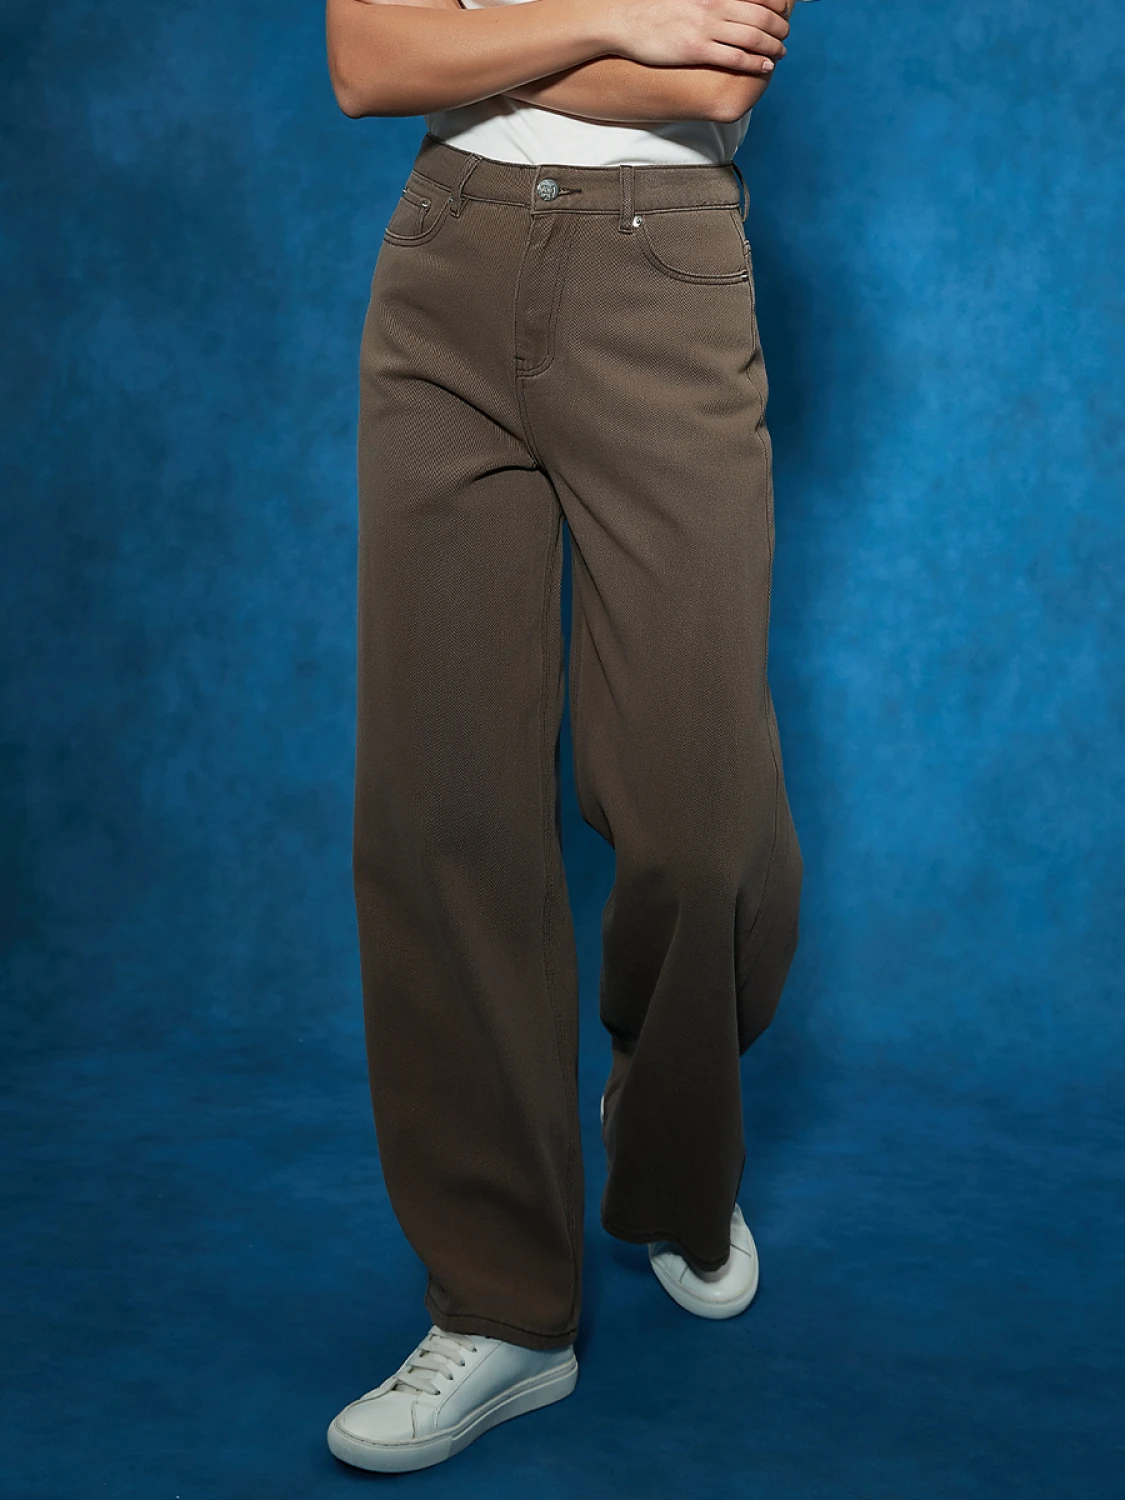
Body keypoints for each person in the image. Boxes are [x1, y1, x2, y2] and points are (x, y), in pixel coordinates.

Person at [323, 0, 805, 1472]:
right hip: (444, 266)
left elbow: (717, 80)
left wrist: (485, 38)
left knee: (703, 823)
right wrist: (618, 20)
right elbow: (368, 64)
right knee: (442, 807)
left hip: (665, 277)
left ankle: (672, 1150)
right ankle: (503, 1305)